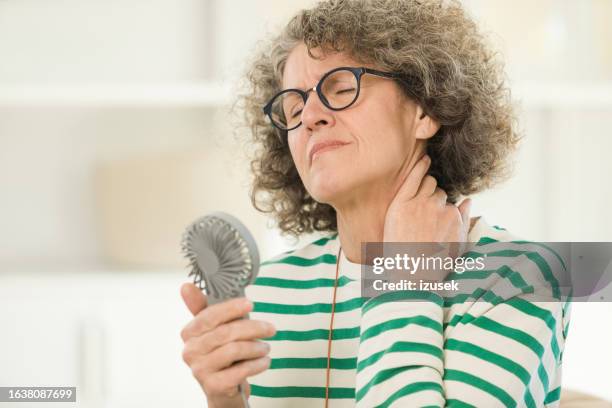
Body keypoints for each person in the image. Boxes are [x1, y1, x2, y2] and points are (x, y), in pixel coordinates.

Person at [180, 0, 570, 406]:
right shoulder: (265, 293)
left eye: (343, 89)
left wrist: (403, 280)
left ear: (426, 109)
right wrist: (226, 400)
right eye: (294, 107)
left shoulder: (519, 277)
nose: (310, 115)